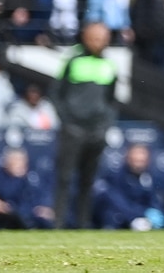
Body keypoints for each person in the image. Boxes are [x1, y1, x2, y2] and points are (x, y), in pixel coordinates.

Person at [51, 21, 119, 229]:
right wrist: (68, 121)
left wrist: (105, 124)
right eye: (96, 38)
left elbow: (111, 100)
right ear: (86, 37)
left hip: (96, 131)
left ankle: (83, 224)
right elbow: (55, 94)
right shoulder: (72, 61)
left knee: (88, 181)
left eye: (103, 38)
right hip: (74, 130)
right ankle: (58, 224)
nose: (100, 42)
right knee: (64, 178)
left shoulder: (109, 65)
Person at [92, 143, 164, 231]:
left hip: (143, 218)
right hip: (121, 218)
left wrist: (154, 212)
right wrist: (139, 215)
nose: (139, 162)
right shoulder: (116, 176)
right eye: (136, 159)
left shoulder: (151, 176)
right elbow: (118, 202)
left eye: (141, 160)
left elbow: (154, 199)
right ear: (128, 158)